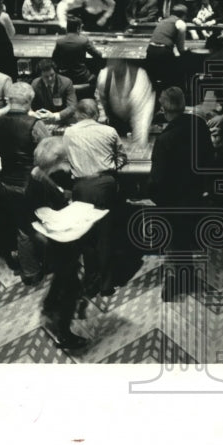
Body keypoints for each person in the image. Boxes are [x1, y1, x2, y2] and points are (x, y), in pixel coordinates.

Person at [148, 88, 215, 289]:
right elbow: (209, 157)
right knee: (184, 236)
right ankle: (184, 275)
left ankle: (183, 280)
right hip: (197, 191)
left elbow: (157, 178)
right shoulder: (199, 124)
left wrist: (152, 195)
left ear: (163, 109)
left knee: (177, 241)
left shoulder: (164, 140)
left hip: (174, 198)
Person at [25, 138, 88, 351]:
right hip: (56, 241)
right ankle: (64, 334)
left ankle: (50, 303)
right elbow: (49, 214)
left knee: (62, 275)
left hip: (46, 240)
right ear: (58, 160)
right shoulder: (43, 183)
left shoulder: (37, 175)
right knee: (72, 285)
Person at [62, 99, 127, 297]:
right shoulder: (109, 131)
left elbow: (66, 159)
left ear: (78, 114)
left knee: (86, 236)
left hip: (81, 186)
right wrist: (111, 167)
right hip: (105, 185)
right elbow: (122, 158)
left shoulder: (69, 133)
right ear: (95, 115)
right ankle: (106, 285)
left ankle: (90, 283)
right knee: (105, 236)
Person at [0, 81, 52, 277]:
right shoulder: (35, 124)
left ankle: (25, 265)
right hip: (31, 183)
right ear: (29, 101)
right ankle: (33, 270)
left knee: (19, 224)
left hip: (6, 181)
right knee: (33, 226)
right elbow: (49, 153)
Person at [96, 59, 155, 145]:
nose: (114, 68)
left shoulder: (139, 78)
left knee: (138, 145)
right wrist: (103, 122)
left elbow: (141, 118)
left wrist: (139, 145)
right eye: (111, 65)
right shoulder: (104, 76)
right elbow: (100, 101)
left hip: (138, 117)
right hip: (114, 121)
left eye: (117, 65)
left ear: (124, 64)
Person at [145, 3, 188, 91]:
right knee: (174, 76)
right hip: (162, 52)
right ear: (184, 15)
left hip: (150, 51)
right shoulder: (181, 23)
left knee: (153, 79)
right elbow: (181, 49)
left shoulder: (163, 21)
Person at [52, 16, 104, 88]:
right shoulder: (84, 40)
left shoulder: (59, 42)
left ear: (67, 28)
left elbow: (54, 60)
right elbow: (98, 55)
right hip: (82, 77)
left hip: (65, 77)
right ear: (78, 28)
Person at [30, 58, 78, 124]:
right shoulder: (35, 84)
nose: (50, 79)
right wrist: (34, 113)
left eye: (52, 75)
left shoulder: (66, 82)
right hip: (43, 120)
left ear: (55, 72)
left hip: (63, 119)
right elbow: (29, 105)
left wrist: (54, 116)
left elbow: (72, 107)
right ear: (40, 76)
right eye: (46, 77)